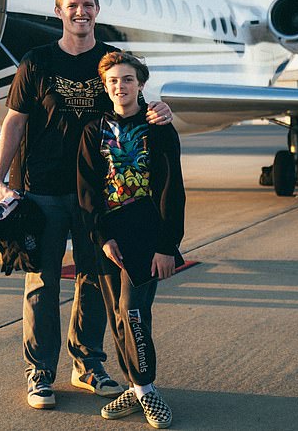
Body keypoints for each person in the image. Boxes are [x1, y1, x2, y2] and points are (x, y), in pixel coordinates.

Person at [0, 0, 174, 410]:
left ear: (97, 10)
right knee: (42, 282)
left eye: (88, 5)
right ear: (58, 11)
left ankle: (88, 363)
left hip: (98, 195)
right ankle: (40, 373)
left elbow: (134, 97)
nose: (81, 12)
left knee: (96, 281)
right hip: (42, 191)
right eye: (72, 5)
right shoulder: (36, 62)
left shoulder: (108, 61)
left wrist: (163, 108)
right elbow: (14, 122)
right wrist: (0, 180)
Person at [77, 51, 185, 428]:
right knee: (117, 318)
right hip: (109, 237)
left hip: (146, 233)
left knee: (134, 313)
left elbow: (173, 188)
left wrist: (167, 245)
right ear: (105, 87)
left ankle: (147, 388)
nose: (119, 86)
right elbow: (87, 189)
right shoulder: (94, 131)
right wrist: (102, 237)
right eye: (112, 81)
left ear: (140, 84)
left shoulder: (158, 127)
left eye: (126, 79)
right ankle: (137, 386)